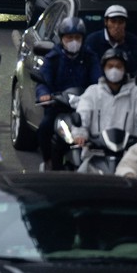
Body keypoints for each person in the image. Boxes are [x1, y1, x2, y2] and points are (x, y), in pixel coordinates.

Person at [35, 18, 102, 168]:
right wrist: (44, 95)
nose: (73, 41)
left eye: (77, 38)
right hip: (58, 106)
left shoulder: (90, 57)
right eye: (69, 38)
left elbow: (97, 81)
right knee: (44, 128)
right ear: (62, 39)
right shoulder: (53, 57)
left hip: (85, 107)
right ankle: (48, 162)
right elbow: (43, 81)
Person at [70, 46, 137, 159]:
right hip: (95, 154)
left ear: (125, 69)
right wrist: (80, 134)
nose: (114, 70)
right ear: (104, 69)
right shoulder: (92, 92)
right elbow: (82, 115)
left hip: (128, 156)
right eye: (110, 66)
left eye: (118, 66)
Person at [96, 4, 137, 75]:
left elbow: (134, 67)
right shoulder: (94, 39)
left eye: (120, 22)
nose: (116, 26)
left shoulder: (132, 40)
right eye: (113, 21)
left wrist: (122, 44)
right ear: (106, 22)